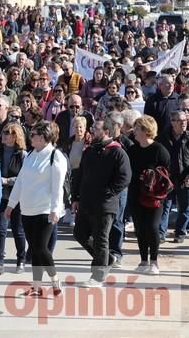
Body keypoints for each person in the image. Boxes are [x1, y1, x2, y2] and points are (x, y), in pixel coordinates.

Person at [5, 121, 67, 297]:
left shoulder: (56, 156)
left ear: (43, 137)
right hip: (27, 209)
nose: (30, 137)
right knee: (34, 248)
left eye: (33, 134)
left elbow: (58, 186)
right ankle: (37, 286)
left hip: (46, 209)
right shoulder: (31, 155)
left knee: (41, 247)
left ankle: (55, 281)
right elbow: (20, 181)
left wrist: (55, 209)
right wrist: (11, 204)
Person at [72, 113, 132, 287]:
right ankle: (107, 258)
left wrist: (109, 192)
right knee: (80, 234)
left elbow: (125, 177)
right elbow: (80, 175)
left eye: (95, 129)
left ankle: (98, 276)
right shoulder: (90, 150)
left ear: (106, 131)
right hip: (86, 202)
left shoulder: (117, 151)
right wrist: (75, 197)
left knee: (101, 239)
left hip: (105, 205)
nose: (91, 131)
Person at [128, 115, 171, 274]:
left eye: (137, 128)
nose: (134, 131)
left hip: (155, 197)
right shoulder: (133, 149)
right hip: (136, 193)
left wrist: (153, 178)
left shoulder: (160, 150)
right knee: (139, 228)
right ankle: (143, 261)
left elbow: (167, 175)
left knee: (152, 227)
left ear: (146, 131)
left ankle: (154, 262)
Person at [0, 123, 27, 275]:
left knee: (18, 230)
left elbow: (24, 177)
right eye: (3, 132)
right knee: (0, 230)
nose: (3, 135)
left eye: (8, 132)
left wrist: (6, 180)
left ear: (15, 136)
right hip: (1, 197)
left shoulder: (22, 155)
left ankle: (21, 260)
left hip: (17, 197)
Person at [157, 110, 189, 243]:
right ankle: (160, 233)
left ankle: (180, 233)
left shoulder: (188, 137)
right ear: (172, 122)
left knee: (185, 207)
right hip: (167, 178)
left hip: (184, 177)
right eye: (180, 121)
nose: (183, 123)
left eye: (185, 121)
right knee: (165, 206)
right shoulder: (163, 138)